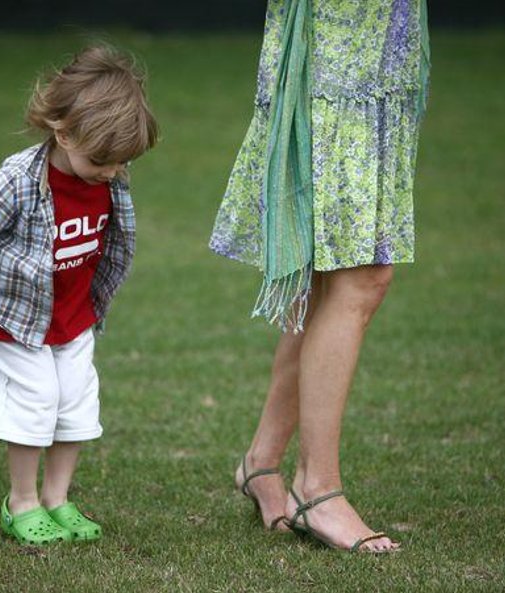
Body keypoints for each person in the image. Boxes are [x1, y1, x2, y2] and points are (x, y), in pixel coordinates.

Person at [209, 0, 430, 553]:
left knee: (332, 276)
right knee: (360, 275)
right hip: (337, 54)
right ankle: (318, 488)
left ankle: (262, 462)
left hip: (380, 49)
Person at [0, 46, 158, 545]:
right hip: (15, 320)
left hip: (73, 318)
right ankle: (20, 501)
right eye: (102, 160)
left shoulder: (109, 180)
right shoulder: (16, 182)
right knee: (37, 402)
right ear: (64, 134)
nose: (112, 172)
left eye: (122, 162)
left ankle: (57, 499)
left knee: (78, 407)